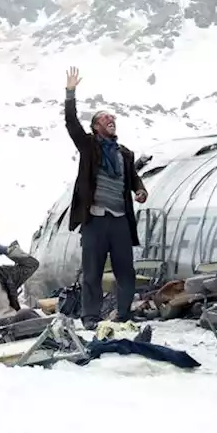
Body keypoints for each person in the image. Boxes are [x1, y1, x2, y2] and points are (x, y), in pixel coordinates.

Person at [62, 66, 147, 329]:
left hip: (119, 219)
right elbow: (71, 123)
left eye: (113, 118)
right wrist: (70, 93)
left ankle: (123, 314)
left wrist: (140, 189)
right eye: (105, 118)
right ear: (96, 126)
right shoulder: (89, 146)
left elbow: (132, 178)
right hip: (96, 219)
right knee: (93, 272)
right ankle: (90, 318)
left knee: (126, 271)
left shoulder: (124, 153)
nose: (111, 120)